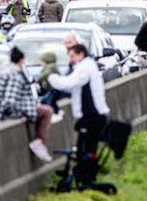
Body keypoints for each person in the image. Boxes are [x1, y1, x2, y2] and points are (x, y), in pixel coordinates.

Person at [46, 44, 110, 173]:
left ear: (81, 54)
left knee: (85, 148)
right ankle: (87, 173)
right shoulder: (87, 66)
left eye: (72, 56)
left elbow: (69, 82)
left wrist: (51, 77)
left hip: (92, 116)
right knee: (87, 148)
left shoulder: (85, 68)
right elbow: (72, 87)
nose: (71, 60)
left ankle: (87, 175)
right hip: (94, 116)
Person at [0, 47, 53, 162]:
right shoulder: (15, 75)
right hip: (21, 109)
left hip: (21, 107)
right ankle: (38, 141)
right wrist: (17, 114)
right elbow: (10, 99)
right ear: (21, 60)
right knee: (47, 112)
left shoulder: (8, 72)